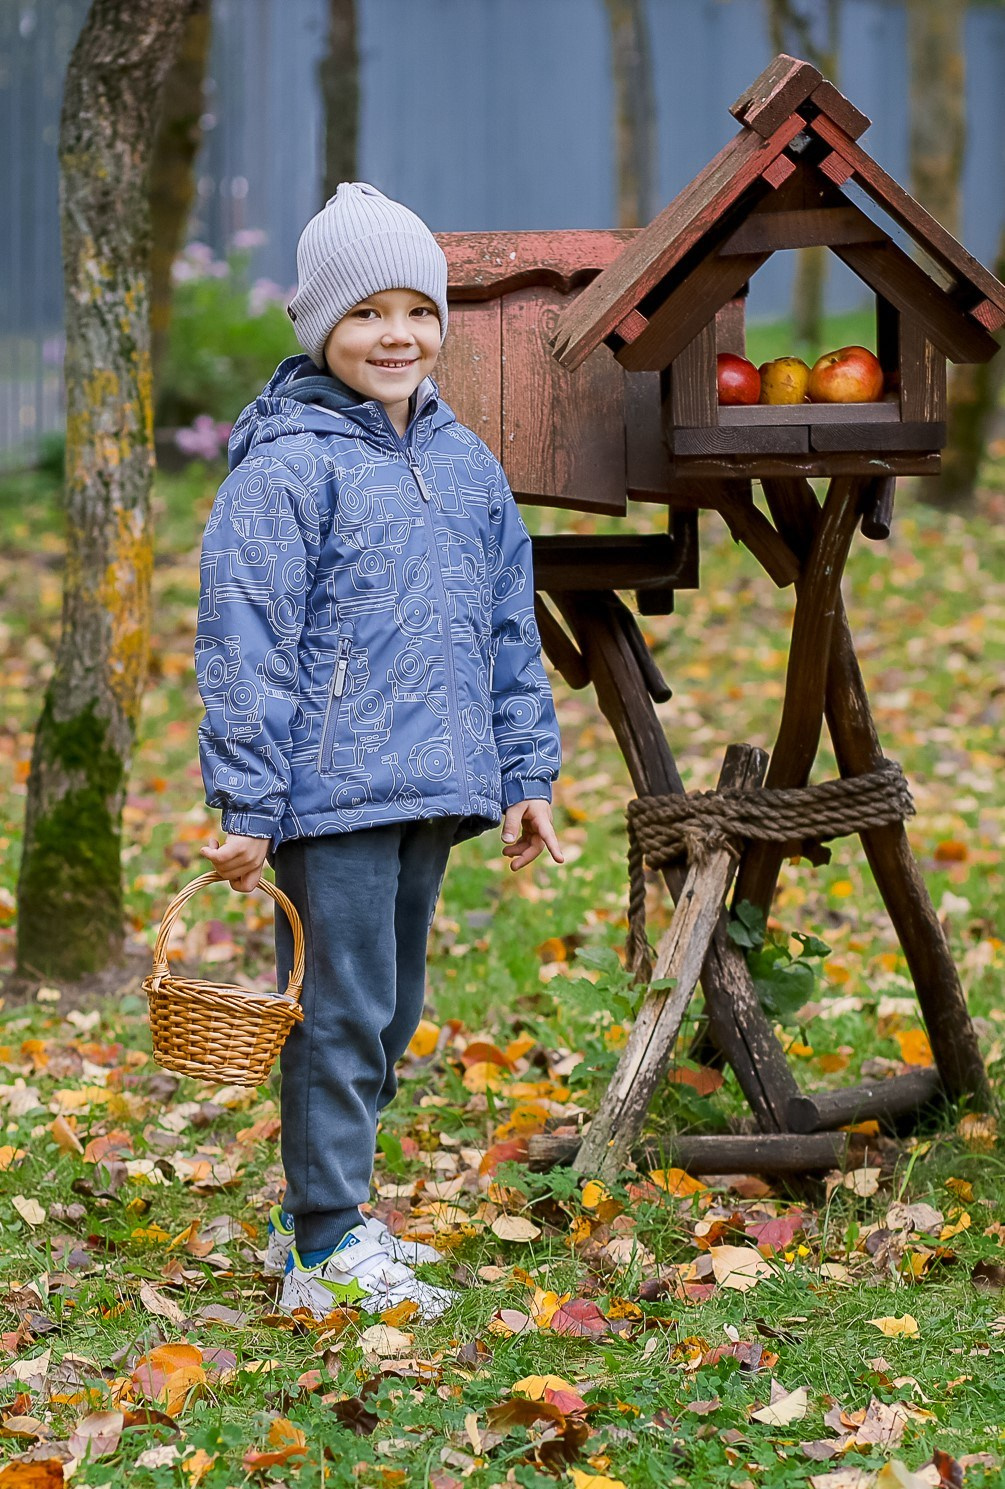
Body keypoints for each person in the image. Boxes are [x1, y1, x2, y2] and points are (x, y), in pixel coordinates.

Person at [194, 182, 563, 1321]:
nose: (396, 334)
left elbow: (510, 621)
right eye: (365, 313)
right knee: (340, 1011)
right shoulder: (288, 467)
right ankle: (322, 1246)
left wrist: (527, 770)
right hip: (328, 792)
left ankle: (325, 1208)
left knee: (389, 1010)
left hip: (434, 783)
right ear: (318, 329)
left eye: (418, 309)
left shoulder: (463, 465)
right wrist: (250, 803)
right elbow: (241, 640)